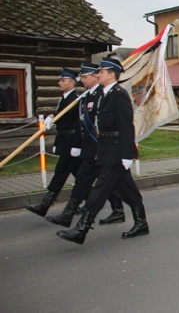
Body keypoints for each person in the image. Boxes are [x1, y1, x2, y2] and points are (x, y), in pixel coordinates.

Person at [56, 57, 148, 244]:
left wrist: (127, 154)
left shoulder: (118, 94)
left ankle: (81, 228)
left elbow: (126, 126)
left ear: (111, 74)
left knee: (99, 189)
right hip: (106, 148)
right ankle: (141, 223)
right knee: (127, 189)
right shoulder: (105, 94)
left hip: (115, 150)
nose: (98, 74)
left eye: (101, 72)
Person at [46, 63, 124, 228]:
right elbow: (81, 123)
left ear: (96, 76)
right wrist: (78, 144)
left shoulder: (101, 95)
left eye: (85, 77)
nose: (82, 80)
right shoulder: (85, 97)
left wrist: (126, 152)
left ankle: (75, 216)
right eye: (81, 77)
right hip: (89, 144)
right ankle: (117, 210)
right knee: (100, 179)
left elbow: (112, 123)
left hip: (100, 144)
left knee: (96, 180)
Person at [25, 68, 82, 218]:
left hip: (72, 141)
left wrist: (77, 144)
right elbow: (62, 117)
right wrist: (52, 116)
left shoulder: (76, 98)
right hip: (64, 140)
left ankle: (45, 204)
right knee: (81, 175)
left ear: (71, 82)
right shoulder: (64, 98)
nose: (59, 83)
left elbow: (77, 123)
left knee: (61, 172)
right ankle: (104, 200)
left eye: (63, 80)